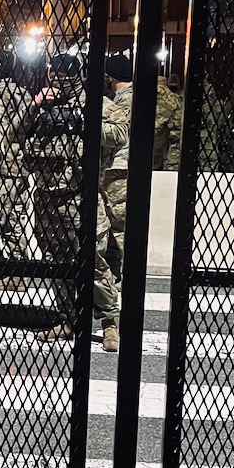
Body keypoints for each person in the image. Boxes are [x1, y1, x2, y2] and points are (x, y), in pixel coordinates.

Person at [23, 53, 117, 346]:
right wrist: (35, 107)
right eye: (54, 77)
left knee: (94, 262)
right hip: (48, 198)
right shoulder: (44, 103)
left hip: (81, 197)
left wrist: (81, 121)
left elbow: (120, 133)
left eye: (63, 78)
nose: (57, 83)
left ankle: (109, 323)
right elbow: (14, 134)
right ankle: (67, 318)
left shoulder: (95, 104)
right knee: (58, 263)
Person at [0, 50, 35, 276]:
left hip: (4, 167)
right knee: (18, 216)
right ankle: (17, 265)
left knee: (5, 218)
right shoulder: (23, 93)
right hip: (20, 163)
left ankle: (12, 270)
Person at [98, 52, 134, 352]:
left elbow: (119, 136)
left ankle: (123, 277)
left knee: (119, 226)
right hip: (119, 167)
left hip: (117, 168)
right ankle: (118, 275)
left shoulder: (122, 102)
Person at [153, 72, 182, 171]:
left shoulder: (166, 99)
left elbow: (158, 124)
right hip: (170, 142)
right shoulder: (170, 97)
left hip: (172, 144)